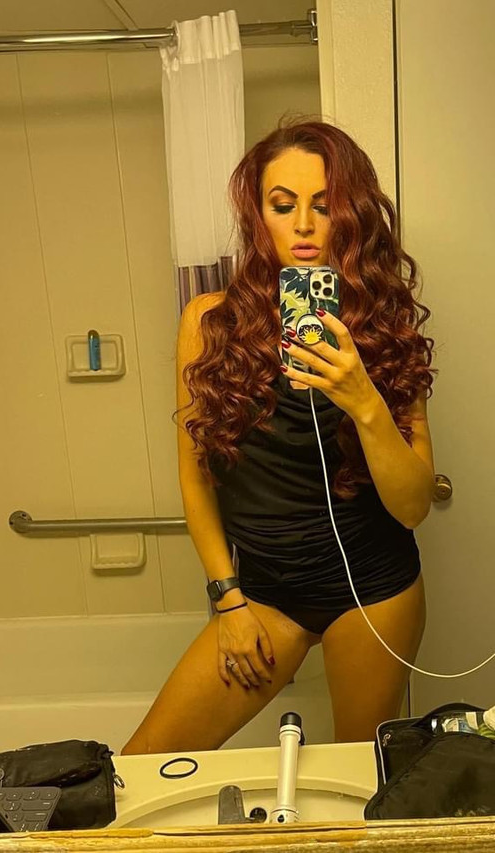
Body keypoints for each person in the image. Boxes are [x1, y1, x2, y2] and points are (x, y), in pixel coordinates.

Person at [121, 118, 436, 755]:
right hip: (263, 596)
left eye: (324, 205)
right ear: (258, 215)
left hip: (373, 591)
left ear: (351, 215)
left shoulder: (385, 325)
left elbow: (412, 506)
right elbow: (195, 479)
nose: (304, 226)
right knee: (142, 767)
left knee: (357, 781)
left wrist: (364, 400)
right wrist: (228, 602)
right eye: (283, 205)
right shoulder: (209, 323)